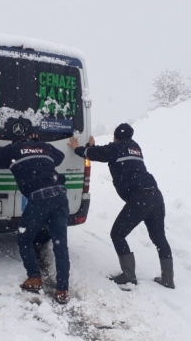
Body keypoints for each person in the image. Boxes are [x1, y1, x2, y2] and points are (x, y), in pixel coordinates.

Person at [68, 123, 175, 289]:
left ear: (116, 137)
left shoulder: (116, 148)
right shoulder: (135, 147)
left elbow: (97, 154)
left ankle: (128, 276)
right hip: (155, 196)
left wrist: (78, 149)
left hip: (140, 198)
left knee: (117, 234)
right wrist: (93, 148)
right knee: (159, 237)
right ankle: (168, 279)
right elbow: (107, 153)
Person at [0, 126, 71, 304]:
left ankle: (34, 278)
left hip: (39, 198)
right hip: (60, 196)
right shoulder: (44, 147)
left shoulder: (12, 150)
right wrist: (38, 146)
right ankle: (62, 289)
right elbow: (60, 157)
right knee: (60, 243)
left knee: (24, 238)